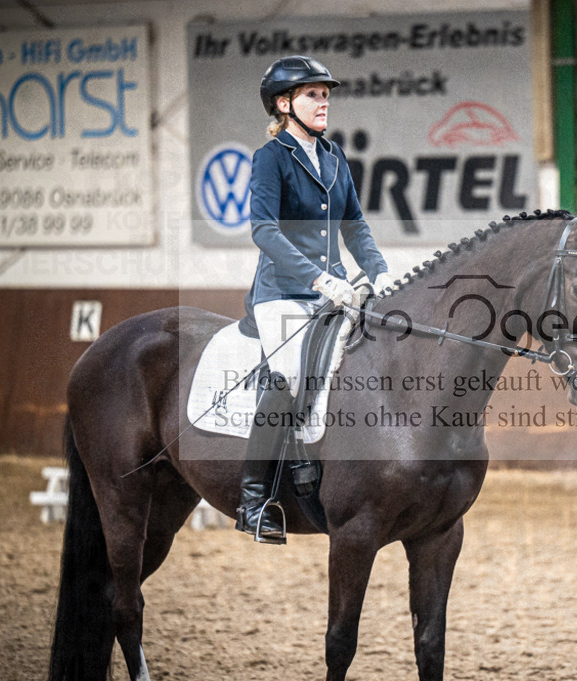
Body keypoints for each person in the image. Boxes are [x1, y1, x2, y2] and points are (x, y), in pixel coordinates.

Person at [236, 55, 395, 543]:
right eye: (312, 95)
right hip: (282, 292)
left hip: (338, 290)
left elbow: (354, 225)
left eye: (326, 95)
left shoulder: (332, 156)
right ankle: (253, 499)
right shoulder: (271, 158)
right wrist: (317, 279)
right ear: (284, 104)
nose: (323, 102)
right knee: (289, 375)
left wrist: (380, 270)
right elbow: (263, 229)